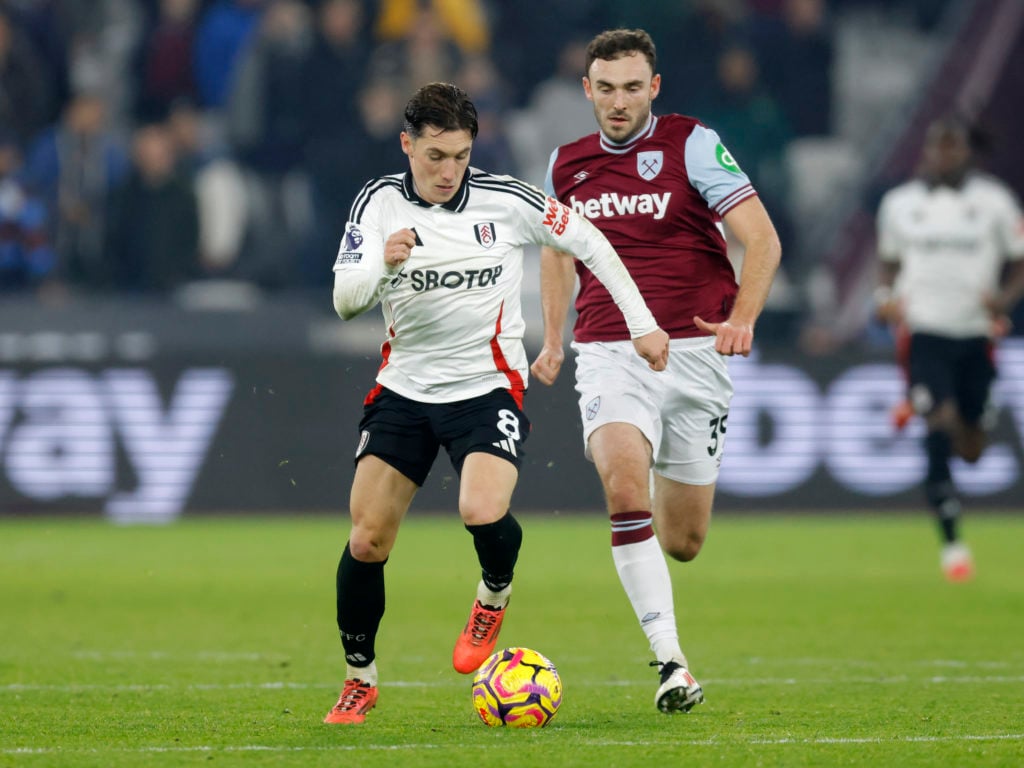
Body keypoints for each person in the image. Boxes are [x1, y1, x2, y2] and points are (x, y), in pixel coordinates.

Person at [324, 81, 670, 725]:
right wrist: (384, 267)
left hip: (487, 385)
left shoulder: (506, 200)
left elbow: (591, 242)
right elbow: (346, 299)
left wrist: (642, 323)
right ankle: (360, 679)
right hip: (404, 387)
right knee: (368, 539)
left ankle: (494, 593)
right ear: (407, 145)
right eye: (434, 156)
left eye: (458, 156)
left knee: (481, 507)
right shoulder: (377, 205)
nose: (447, 172)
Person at [530, 29, 781, 713]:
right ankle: (672, 663)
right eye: (605, 88)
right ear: (587, 90)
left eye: (631, 87)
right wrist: (554, 338)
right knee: (622, 484)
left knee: (684, 541)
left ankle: (670, 630)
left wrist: (744, 317)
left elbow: (761, 237)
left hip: (697, 355)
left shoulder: (693, 144)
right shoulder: (564, 164)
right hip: (611, 350)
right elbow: (555, 253)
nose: (618, 102)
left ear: (654, 88)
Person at [874, 116, 1024, 582]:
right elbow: (888, 263)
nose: (943, 155)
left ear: (967, 151)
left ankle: (955, 413)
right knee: (937, 420)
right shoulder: (901, 205)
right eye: (937, 147)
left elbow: (1019, 261)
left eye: (952, 147)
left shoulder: (994, 202)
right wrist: (885, 300)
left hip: (976, 333)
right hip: (924, 333)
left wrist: (1003, 300)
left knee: (972, 446)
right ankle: (952, 545)